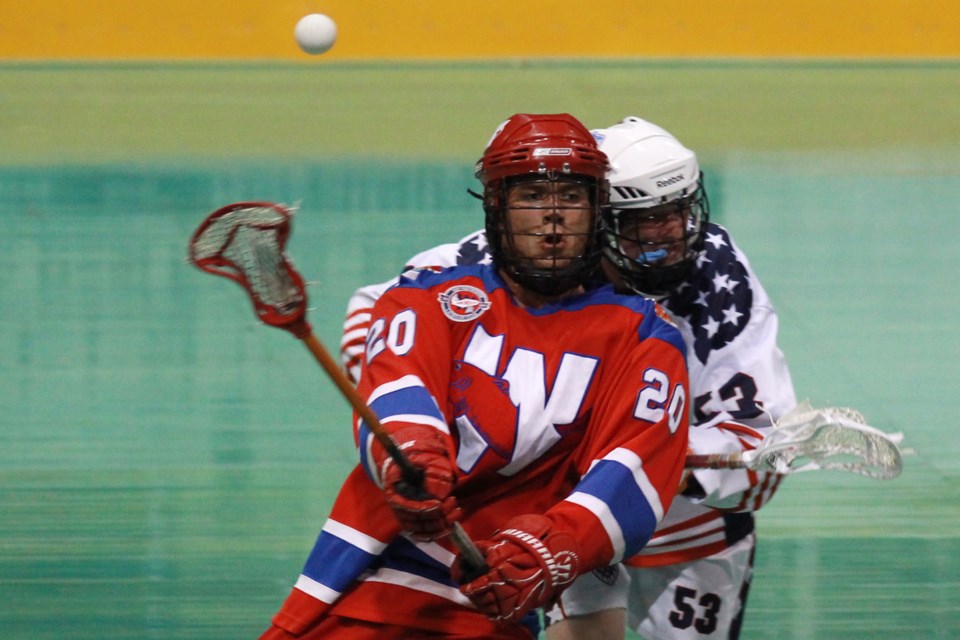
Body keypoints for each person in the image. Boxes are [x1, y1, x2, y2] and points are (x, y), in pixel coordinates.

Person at [340, 116, 797, 639]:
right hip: (553, 515)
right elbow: (374, 313)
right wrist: (414, 430)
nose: (667, 235)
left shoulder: (715, 270)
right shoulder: (503, 257)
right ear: (596, 215)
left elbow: (758, 441)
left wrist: (661, 459)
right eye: (641, 221)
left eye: (675, 211)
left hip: (685, 522)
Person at [261, 113, 691, 639]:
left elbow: (633, 476)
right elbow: (400, 391)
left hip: (492, 601)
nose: (553, 216)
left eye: (572, 198)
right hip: (363, 586)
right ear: (496, 208)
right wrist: (411, 460)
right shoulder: (429, 298)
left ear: (600, 210)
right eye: (532, 195)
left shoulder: (645, 337)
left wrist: (551, 548)